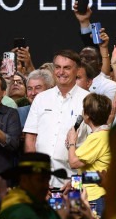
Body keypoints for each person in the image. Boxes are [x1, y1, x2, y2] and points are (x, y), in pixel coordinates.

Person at [24, 49, 90, 188]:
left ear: (77, 70)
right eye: (58, 67)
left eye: (67, 68)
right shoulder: (41, 98)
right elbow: (31, 138)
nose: (61, 72)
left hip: (73, 179)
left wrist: (77, 180)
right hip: (42, 178)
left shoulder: (88, 100)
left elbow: (94, 144)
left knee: (74, 211)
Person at [66, 93, 112, 217]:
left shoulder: (98, 137)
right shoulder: (103, 135)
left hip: (94, 197)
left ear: (87, 115)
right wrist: (74, 183)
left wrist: (72, 142)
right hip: (89, 193)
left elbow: (74, 162)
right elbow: (90, 170)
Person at [0, 152, 67, 219]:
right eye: (40, 180)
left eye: (48, 180)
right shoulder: (19, 209)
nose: (46, 186)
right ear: (24, 179)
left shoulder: (39, 204)